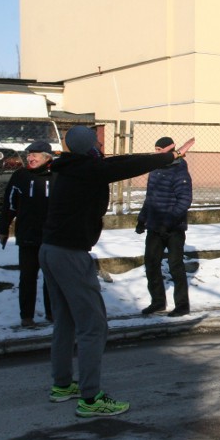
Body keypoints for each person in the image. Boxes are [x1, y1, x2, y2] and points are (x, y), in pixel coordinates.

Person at [39, 126, 194, 417]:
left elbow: (116, 161)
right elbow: (125, 166)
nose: (101, 146)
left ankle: (62, 385)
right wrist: (167, 157)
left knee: (65, 321)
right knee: (93, 326)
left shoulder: (70, 166)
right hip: (70, 254)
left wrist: (163, 157)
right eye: (97, 142)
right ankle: (90, 398)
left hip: (50, 250)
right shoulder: (87, 170)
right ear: (88, 148)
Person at [0, 141, 54, 328]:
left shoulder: (58, 176)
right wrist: (3, 229)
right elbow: (9, 204)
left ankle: (52, 314)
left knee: (52, 278)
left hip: (52, 237)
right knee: (27, 277)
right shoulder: (20, 176)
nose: (30, 158)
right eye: (29, 154)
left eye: (35, 154)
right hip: (28, 236)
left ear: (47, 157)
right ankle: (27, 316)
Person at [137, 136, 194, 317]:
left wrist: (168, 222)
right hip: (154, 226)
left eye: (160, 151)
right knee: (151, 264)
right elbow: (150, 198)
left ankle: (182, 305)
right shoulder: (155, 170)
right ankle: (158, 302)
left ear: (170, 151)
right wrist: (142, 219)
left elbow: (184, 201)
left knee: (175, 266)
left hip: (173, 229)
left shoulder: (179, 171)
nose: (156, 154)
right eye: (155, 150)